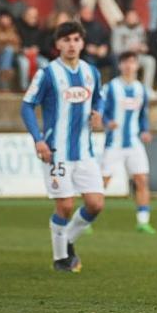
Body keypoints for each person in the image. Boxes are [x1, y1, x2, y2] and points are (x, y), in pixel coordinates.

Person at [20, 20, 106, 273]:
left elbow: (99, 99)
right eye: (66, 40)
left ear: (83, 43)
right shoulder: (47, 73)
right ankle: (60, 259)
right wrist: (38, 139)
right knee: (65, 206)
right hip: (56, 152)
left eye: (76, 39)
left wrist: (98, 113)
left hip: (84, 152)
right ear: (57, 44)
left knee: (96, 204)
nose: (71, 44)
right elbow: (27, 105)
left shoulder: (91, 72)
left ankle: (66, 239)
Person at [99, 51, 155, 235]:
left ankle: (143, 222)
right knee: (102, 182)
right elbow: (101, 110)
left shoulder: (141, 89)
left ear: (137, 66)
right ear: (120, 66)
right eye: (125, 62)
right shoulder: (111, 87)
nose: (129, 66)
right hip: (114, 142)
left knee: (142, 180)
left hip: (134, 142)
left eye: (132, 62)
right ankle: (86, 218)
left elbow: (143, 115)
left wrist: (145, 130)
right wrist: (107, 122)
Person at [111, 10, 157, 90]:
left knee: (150, 61)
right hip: (124, 57)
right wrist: (129, 48)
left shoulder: (140, 29)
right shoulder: (118, 30)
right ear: (126, 18)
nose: (132, 19)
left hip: (138, 56)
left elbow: (144, 44)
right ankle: (129, 89)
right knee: (131, 63)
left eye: (134, 17)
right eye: (130, 17)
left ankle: (147, 89)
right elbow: (116, 49)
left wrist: (143, 48)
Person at [16, 6, 49, 91]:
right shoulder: (17, 28)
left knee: (45, 63)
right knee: (24, 63)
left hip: (36, 55)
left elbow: (45, 46)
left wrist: (38, 49)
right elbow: (13, 43)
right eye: (29, 15)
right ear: (24, 16)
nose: (32, 18)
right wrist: (22, 50)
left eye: (34, 16)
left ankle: (41, 88)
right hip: (21, 54)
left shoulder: (41, 30)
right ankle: (24, 88)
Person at [78, 6, 115, 72]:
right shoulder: (78, 27)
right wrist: (87, 48)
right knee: (90, 61)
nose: (88, 15)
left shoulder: (98, 25)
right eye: (85, 13)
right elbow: (78, 43)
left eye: (89, 13)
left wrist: (105, 47)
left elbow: (106, 38)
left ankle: (115, 78)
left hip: (101, 53)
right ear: (81, 14)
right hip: (86, 55)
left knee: (114, 58)